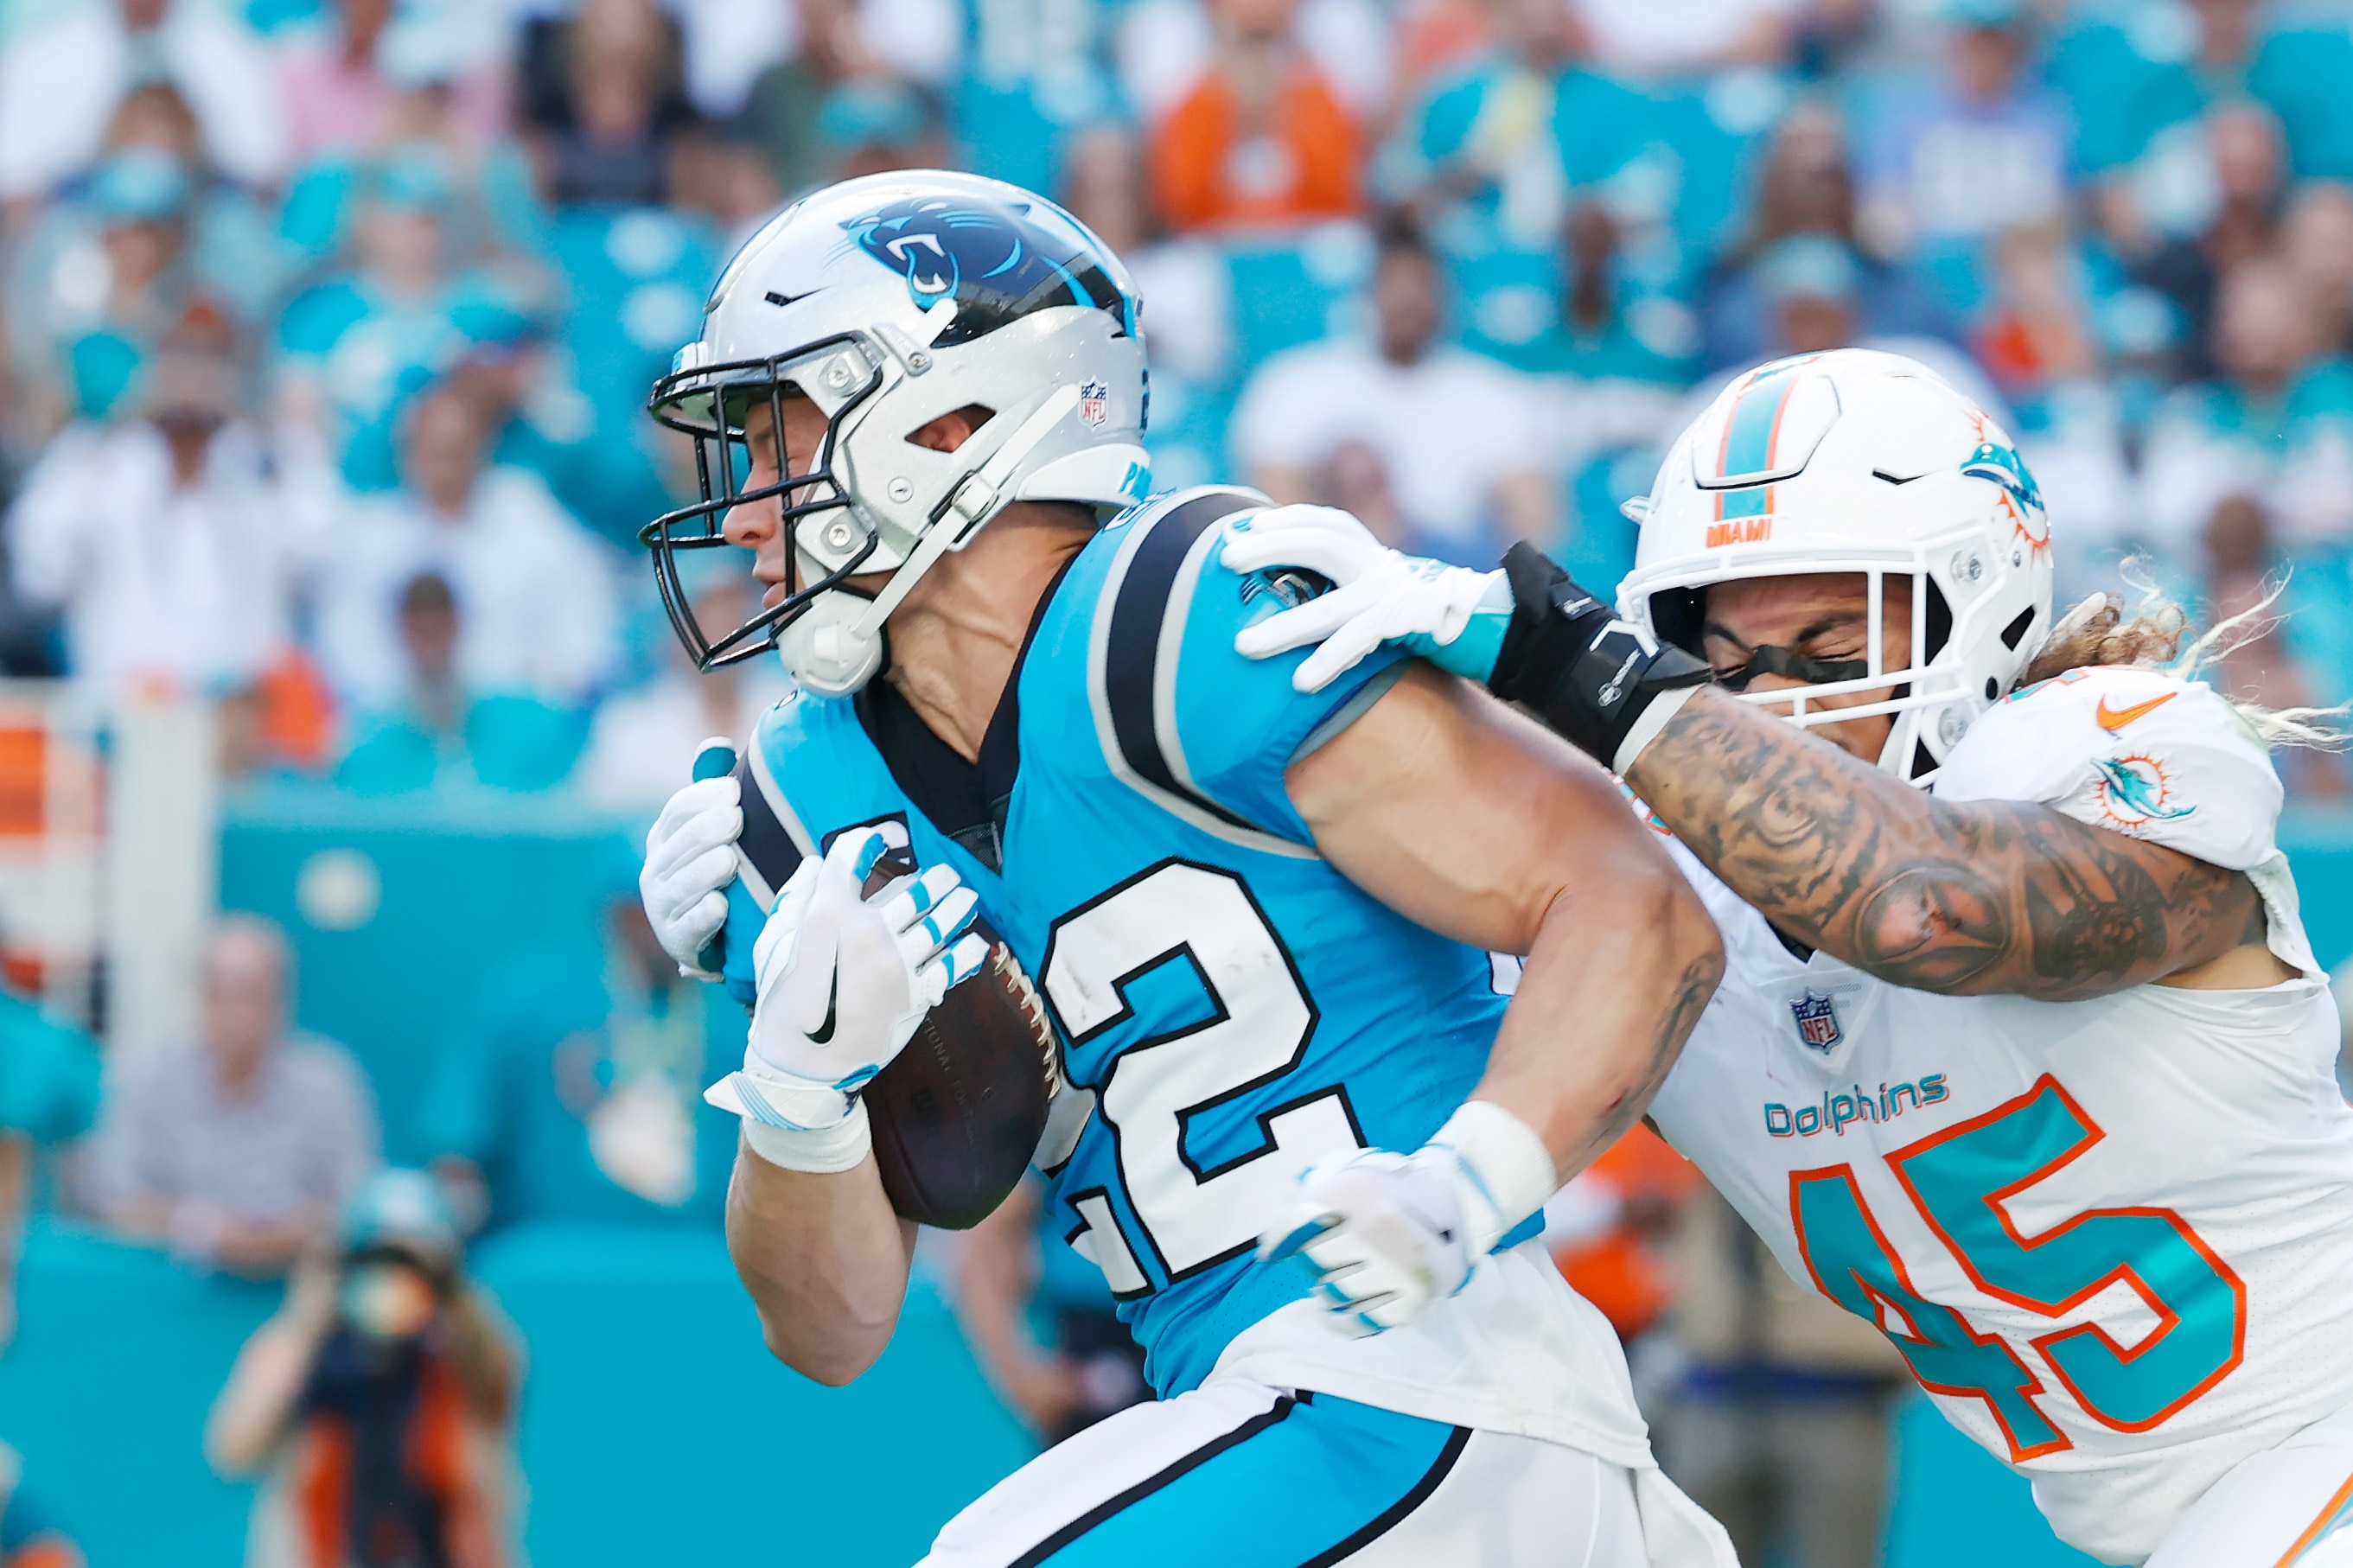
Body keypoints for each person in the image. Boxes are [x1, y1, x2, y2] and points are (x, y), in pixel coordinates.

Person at [633, 169, 1736, 1564]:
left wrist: (1458, 1186)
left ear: (949, 417)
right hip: (1280, 1435)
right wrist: (796, 1097)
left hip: (1435, 1400)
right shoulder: (810, 795)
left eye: (780, 437)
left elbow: (1636, 907)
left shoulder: (1180, 623)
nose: (742, 513)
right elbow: (831, 1327)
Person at [1220, 345, 2353, 1566]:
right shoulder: (1676, 907)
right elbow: (1547, 1029)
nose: (1770, 701)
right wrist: (1454, 1188)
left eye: (1824, 644)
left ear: (1983, 609)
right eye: (1728, 658)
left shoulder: (2101, 746)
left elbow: (1925, 907)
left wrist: (1567, 663)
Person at [205, 1169, 521, 1568]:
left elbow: (492, 1466)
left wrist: (451, 1305)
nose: (393, 1280)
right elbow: (231, 1450)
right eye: (378, 1260)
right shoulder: (304, 1352)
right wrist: (306, 1318)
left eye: (409, 1265)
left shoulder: (457, 1361)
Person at [418, 876, 743, 1231]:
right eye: (648, 910)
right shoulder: (533, 998)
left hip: (711, 1260)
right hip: (551, 1257)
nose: (666, 929)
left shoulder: (740, 1007)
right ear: (619, 914)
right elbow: (458, 1139)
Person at [1229, 217, 1557, 562]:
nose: (1409, 301)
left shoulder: (1490, 390)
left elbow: (1534, 516)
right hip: (1334, 563)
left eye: (1423, 286)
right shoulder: (1296, 381)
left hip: (1451, 572)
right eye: (1396, 285)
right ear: (1369, 292)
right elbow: (1274, 499)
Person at [87, 915, 379, 1278]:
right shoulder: (148, 1080)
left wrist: (295, 1230)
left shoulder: (330, 1082)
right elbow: (112, 1197)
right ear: (204, 996)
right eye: (231, 993)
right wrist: (201, 1227)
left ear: (283, 996)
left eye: (258, 994)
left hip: (296, 1290)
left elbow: (360, 1205)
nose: (245, 1013)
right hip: (173, 1292)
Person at [313, 382, 623, 714]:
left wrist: (540, 702)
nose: (445, 466)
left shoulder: (531, 517)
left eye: (456, 450)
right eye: (433, 451)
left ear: (483, 448)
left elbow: (582, 628)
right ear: (407, 453)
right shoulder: (370, 538)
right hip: (406, 727)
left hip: (519, 721)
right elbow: (346, 651)